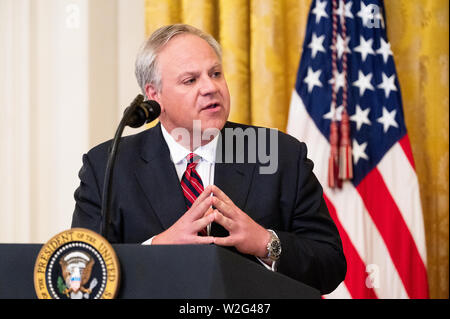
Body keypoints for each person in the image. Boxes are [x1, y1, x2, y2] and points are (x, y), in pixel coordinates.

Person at [72, 24, 346, 294]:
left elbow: (330, 263)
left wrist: (265, 242)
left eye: (215, 74)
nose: (210, 88)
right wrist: (158, 248)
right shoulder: (108, 165)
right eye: (190, 80)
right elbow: (85, 271)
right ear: (154, 95)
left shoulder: (279, 154)